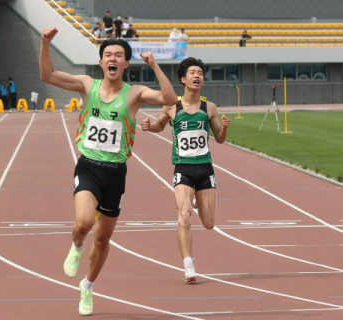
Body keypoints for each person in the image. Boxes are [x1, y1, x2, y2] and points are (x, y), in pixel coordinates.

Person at [40, 27, 177, 316]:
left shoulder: (135, 93)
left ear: (126, 64)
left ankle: (87, 287)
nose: (112, 58)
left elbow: (169, 99)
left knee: (102, 240)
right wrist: (44, 44)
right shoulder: (86, 85)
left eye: (118, 55)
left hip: (115, 174)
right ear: (101, 62)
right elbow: (48, 76)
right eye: (107, 55)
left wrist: (154, 65)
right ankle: (76, 245)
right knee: (85, 221)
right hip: (88, 166)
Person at [140, 57, 230, 284]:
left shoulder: (209, 107)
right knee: (184, 214)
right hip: (183, 168)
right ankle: (188, 263)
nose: (197, 76)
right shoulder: (172, 106)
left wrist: (225, 129)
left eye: (200, 72)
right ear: (183, 78)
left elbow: (219, 138)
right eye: (193, 72)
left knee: (209, 224)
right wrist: (150, 127)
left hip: (206, 168)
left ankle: (197, 201)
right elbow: (160, 125)